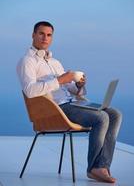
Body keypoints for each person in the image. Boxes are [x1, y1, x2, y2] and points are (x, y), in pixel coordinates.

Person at [17, 21, 122, 183]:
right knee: (101, 118)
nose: (45, 38)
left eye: (49, 35)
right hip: (56, 110)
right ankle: (94, 168)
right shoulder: (27, 62)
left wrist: (78, 86)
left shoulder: (55, 62)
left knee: (115, 114)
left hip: (72, 104)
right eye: (41, 34)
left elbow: (70, 89)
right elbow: (30, 91)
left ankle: (103, 165)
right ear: (33, 35)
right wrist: (60, 80)